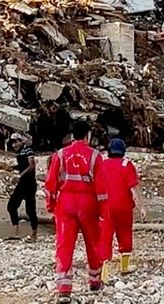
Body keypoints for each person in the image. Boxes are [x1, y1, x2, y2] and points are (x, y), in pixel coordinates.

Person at [44, 121, 107, 303]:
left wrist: (51, 204)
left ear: (72, 136)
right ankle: (95, 280)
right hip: (88, 203)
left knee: (64, 245)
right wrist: (103, 211)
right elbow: (101, 188)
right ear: (88, 135)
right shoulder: (95, 156)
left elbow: (50, 183)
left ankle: (64, 288)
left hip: (65, 203)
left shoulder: (61, 154)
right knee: (93, 242)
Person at [99, 139, 146, 281]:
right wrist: (141, 206)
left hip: (105, 206)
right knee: (125, 234)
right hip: (124, 206)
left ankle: (103, 274)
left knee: (105, 237)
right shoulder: (127, 165)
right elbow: (134, 188)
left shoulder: (102, 164)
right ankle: (124, 267)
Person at [6, 133, 38, 242]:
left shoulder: (28, 150)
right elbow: (24, 165)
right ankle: (15, 233)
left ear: (21, 141)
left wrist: (19, 175)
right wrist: (13, 168)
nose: (14, 145)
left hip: (29, 184)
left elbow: (31, 165)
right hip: (22, 184)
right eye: (13, 143)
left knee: (30, 210)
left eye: (16, 142)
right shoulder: (19, 153)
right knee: (11, 206)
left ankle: (34, 234)